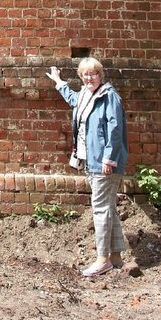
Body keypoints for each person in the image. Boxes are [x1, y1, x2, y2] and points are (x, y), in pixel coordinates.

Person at [47, 56, 128, 277]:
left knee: (100, 209)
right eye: (84, 74)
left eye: (92, 74)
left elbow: (115, 130)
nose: (88, 78)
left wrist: (108, 159)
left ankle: (102, 259)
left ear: (100, 75)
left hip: (103, 163)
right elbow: (73, 99)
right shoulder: (85, 95)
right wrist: (58, 81)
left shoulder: (109, 97)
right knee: (108, 207)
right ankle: (116, 257)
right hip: (90, 160)